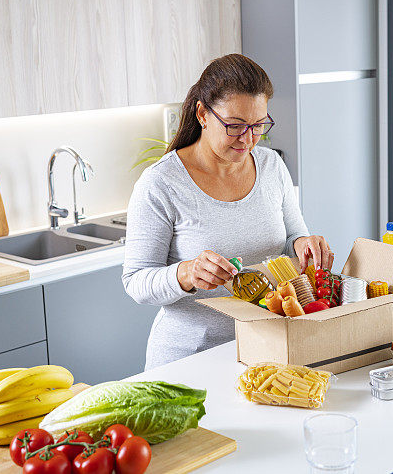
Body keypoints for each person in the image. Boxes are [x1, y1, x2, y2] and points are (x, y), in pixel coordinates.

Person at [122, 53, 333, 370]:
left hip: (267, 350)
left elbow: (292, 236)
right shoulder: (160, 184)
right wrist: (187, 273)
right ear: (203, 114)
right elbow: (136, 282)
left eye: (258, 125)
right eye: (235, 126)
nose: (248, 139)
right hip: (190, 359)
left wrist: (304, 245)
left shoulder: (271, 166)